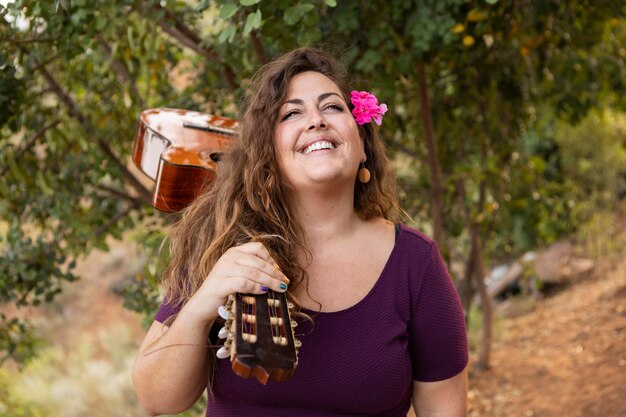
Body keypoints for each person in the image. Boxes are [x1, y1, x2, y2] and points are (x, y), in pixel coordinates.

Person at [132, 47, 468, 417]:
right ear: (268, 155)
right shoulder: (222, 242)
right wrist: (203, 303)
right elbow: (157, 399)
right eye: (292, 113)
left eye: (333, 108)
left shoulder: (414, 264)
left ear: (362, 148)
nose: (316, 121)